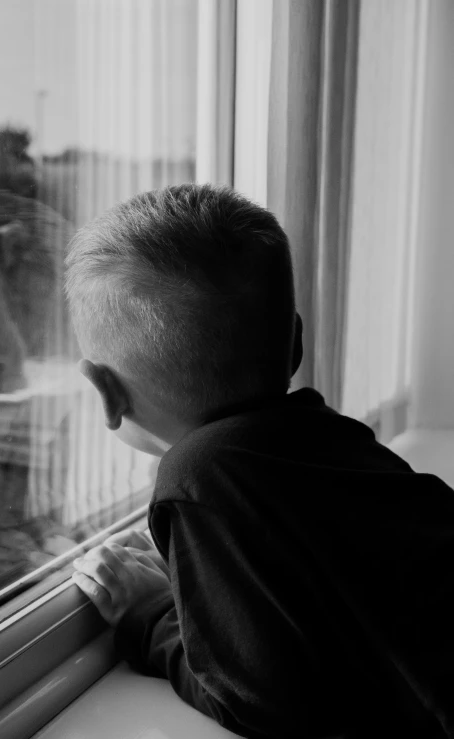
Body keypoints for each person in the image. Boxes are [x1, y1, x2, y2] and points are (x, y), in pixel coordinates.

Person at [65, 183, 454, 739]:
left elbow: (261, 702)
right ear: (295, 343)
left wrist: (151, 615)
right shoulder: (332, 438)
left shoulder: (200, 476)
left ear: (104, 392)